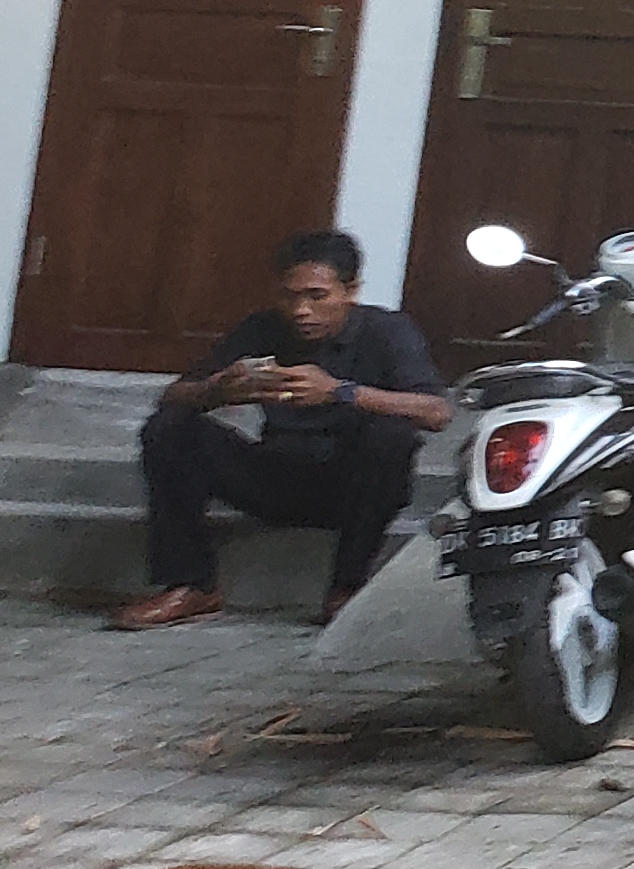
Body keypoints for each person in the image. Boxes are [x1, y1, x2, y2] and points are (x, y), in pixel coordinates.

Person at [110, 230, 452, 631]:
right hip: (275, 472)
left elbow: (436, 411)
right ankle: (191, 584)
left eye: (317, 296)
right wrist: (217, 389)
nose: (301, 311)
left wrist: (340, 393)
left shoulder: (387, 331)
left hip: (351, 484)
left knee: (390, 436)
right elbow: (173, 395)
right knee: (170, 428)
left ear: (351, 291)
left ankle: (346, 588)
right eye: (290, 296)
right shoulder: (263, 328)